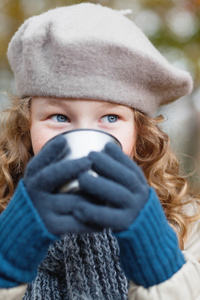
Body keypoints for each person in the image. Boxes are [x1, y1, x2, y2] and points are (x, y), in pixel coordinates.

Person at [0, 3, 200, 299]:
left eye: (110, 118)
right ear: (27, 124)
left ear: (139, 130)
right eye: (60, 117)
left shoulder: (185, 222)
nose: (83, 137)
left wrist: (157, 261)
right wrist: (7, 260)